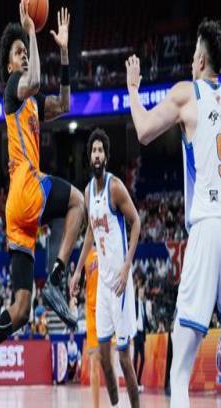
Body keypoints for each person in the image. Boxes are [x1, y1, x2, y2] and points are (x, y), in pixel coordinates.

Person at [0, 1, 85, 407]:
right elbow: (31, 79)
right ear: (10, 63)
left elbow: (65, 104)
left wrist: (63, 54)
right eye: (18, 52)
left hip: (17, 211)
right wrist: (30, 30)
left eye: (25, 51)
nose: (24, 56)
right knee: (78, 203)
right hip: (27, 186)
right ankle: (58, 278)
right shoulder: (14, 88)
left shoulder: (31, 101)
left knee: (19, 310)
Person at [126, 19, 221, 408]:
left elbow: (144, 130)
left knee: (179, 374)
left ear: (199, 60)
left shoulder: (186, 93)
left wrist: (133, 90)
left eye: (193, 55)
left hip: (208, 225)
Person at [70, 129, 141, 407]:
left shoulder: (115, 187)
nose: (97, 155)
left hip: (120, 285)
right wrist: (77, 271)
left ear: (106, 157)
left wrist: (127, 266)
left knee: (123, 359)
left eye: (101, 150)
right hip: (102, 286)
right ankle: (114, 405)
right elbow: (90, 233)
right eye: (93, 151)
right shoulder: (88, 192)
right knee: (102, 357)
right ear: (89, 157)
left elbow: (136, 222)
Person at [70, 246, 100, 407]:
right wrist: (75, 289)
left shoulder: (109, 246)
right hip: (92, 313)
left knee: (110, 363)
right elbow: (79, 284)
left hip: (108, 310)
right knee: (94, 364)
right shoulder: (85, 254)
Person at [134, 286, 148, 392]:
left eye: (143, 292)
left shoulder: (143, 304)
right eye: (140, 292)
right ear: (138, 292)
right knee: (135, 358)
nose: (142, 293)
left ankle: (138, 379)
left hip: (142, 334)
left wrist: (150, 328)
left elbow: (145, 319)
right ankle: (135, 381)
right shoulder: (135, 303)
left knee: (143, 358)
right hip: (136, 333)